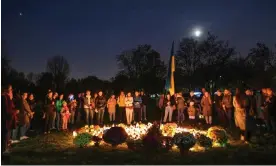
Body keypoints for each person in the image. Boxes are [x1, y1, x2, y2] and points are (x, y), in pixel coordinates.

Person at [2, 85, 19, 154]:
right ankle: (4, 151)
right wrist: (15, 111)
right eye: (11, 89)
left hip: (8, 120)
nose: (12, 91)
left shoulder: (7, 98)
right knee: (4, 136)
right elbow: (7, 110)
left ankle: (5, 149)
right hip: (6, 121)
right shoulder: (4, 97)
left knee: (6, 136)